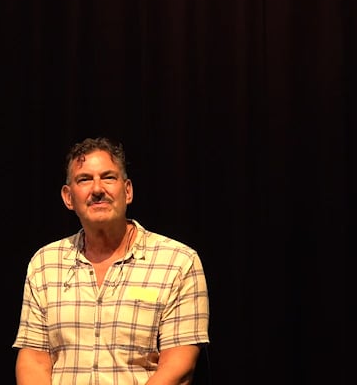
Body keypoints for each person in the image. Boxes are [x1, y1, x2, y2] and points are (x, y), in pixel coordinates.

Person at [13, 137, 210, 385]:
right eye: (84, 179)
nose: (97, 189)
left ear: (127, 191)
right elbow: (33, 360)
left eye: (108, 177)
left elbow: (178, 365)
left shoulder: (178, 262)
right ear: (68, 197)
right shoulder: (45, 264)